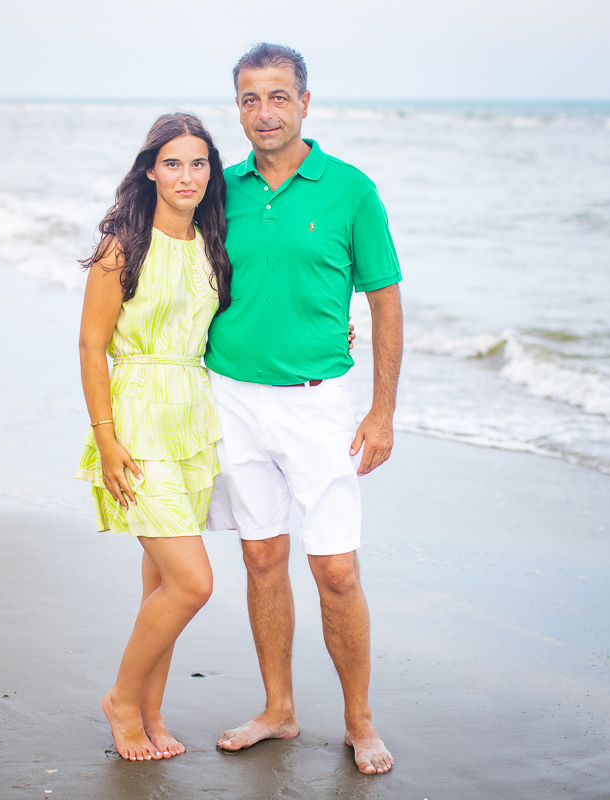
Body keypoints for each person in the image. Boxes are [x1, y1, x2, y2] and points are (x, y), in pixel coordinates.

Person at [204, 43, 403, 776]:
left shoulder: (350, 190)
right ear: (238, 106)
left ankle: (360, 721)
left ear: (305, 103)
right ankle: (279, 709)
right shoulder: (219, 192)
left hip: (321, 407)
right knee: (261, 556)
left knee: (337, 570)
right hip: (231, 398)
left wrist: (381, 412)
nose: (264, 112)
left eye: (279, 97)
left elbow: (384, 303)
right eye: (251, 99)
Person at [76, 113, 232, 761]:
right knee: (194, 583)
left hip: (193, 422)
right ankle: (120, 700)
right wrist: (106, 440)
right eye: (173, 163)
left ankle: (150, 711)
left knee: (161, 586)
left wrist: (335, 334)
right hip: (136, 425)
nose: (187, 175)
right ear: (150, 170)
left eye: (199, 163)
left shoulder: (212, 243)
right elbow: (90, 345)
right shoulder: (122, 247)